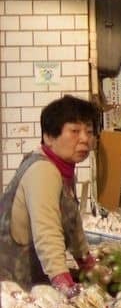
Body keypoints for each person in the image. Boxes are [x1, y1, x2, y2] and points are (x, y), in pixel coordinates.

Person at [1, 96, 98, 292]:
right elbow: (47, 232)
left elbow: (72, 220)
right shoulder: (43, 171)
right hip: (13, 290)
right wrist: (65, 284)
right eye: (75, 131)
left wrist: (86, 261)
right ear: (49, 136)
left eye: (89, 131)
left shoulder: (62, 168)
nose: (85, 139)